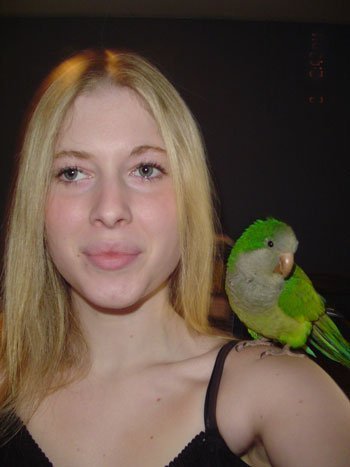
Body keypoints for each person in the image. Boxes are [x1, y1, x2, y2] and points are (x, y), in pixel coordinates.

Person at [0, 49, 349, 467]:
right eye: (72, 172)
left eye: (146, 170)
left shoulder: (283, 392)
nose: (110, 209)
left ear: (190, 198)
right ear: (35, 205)